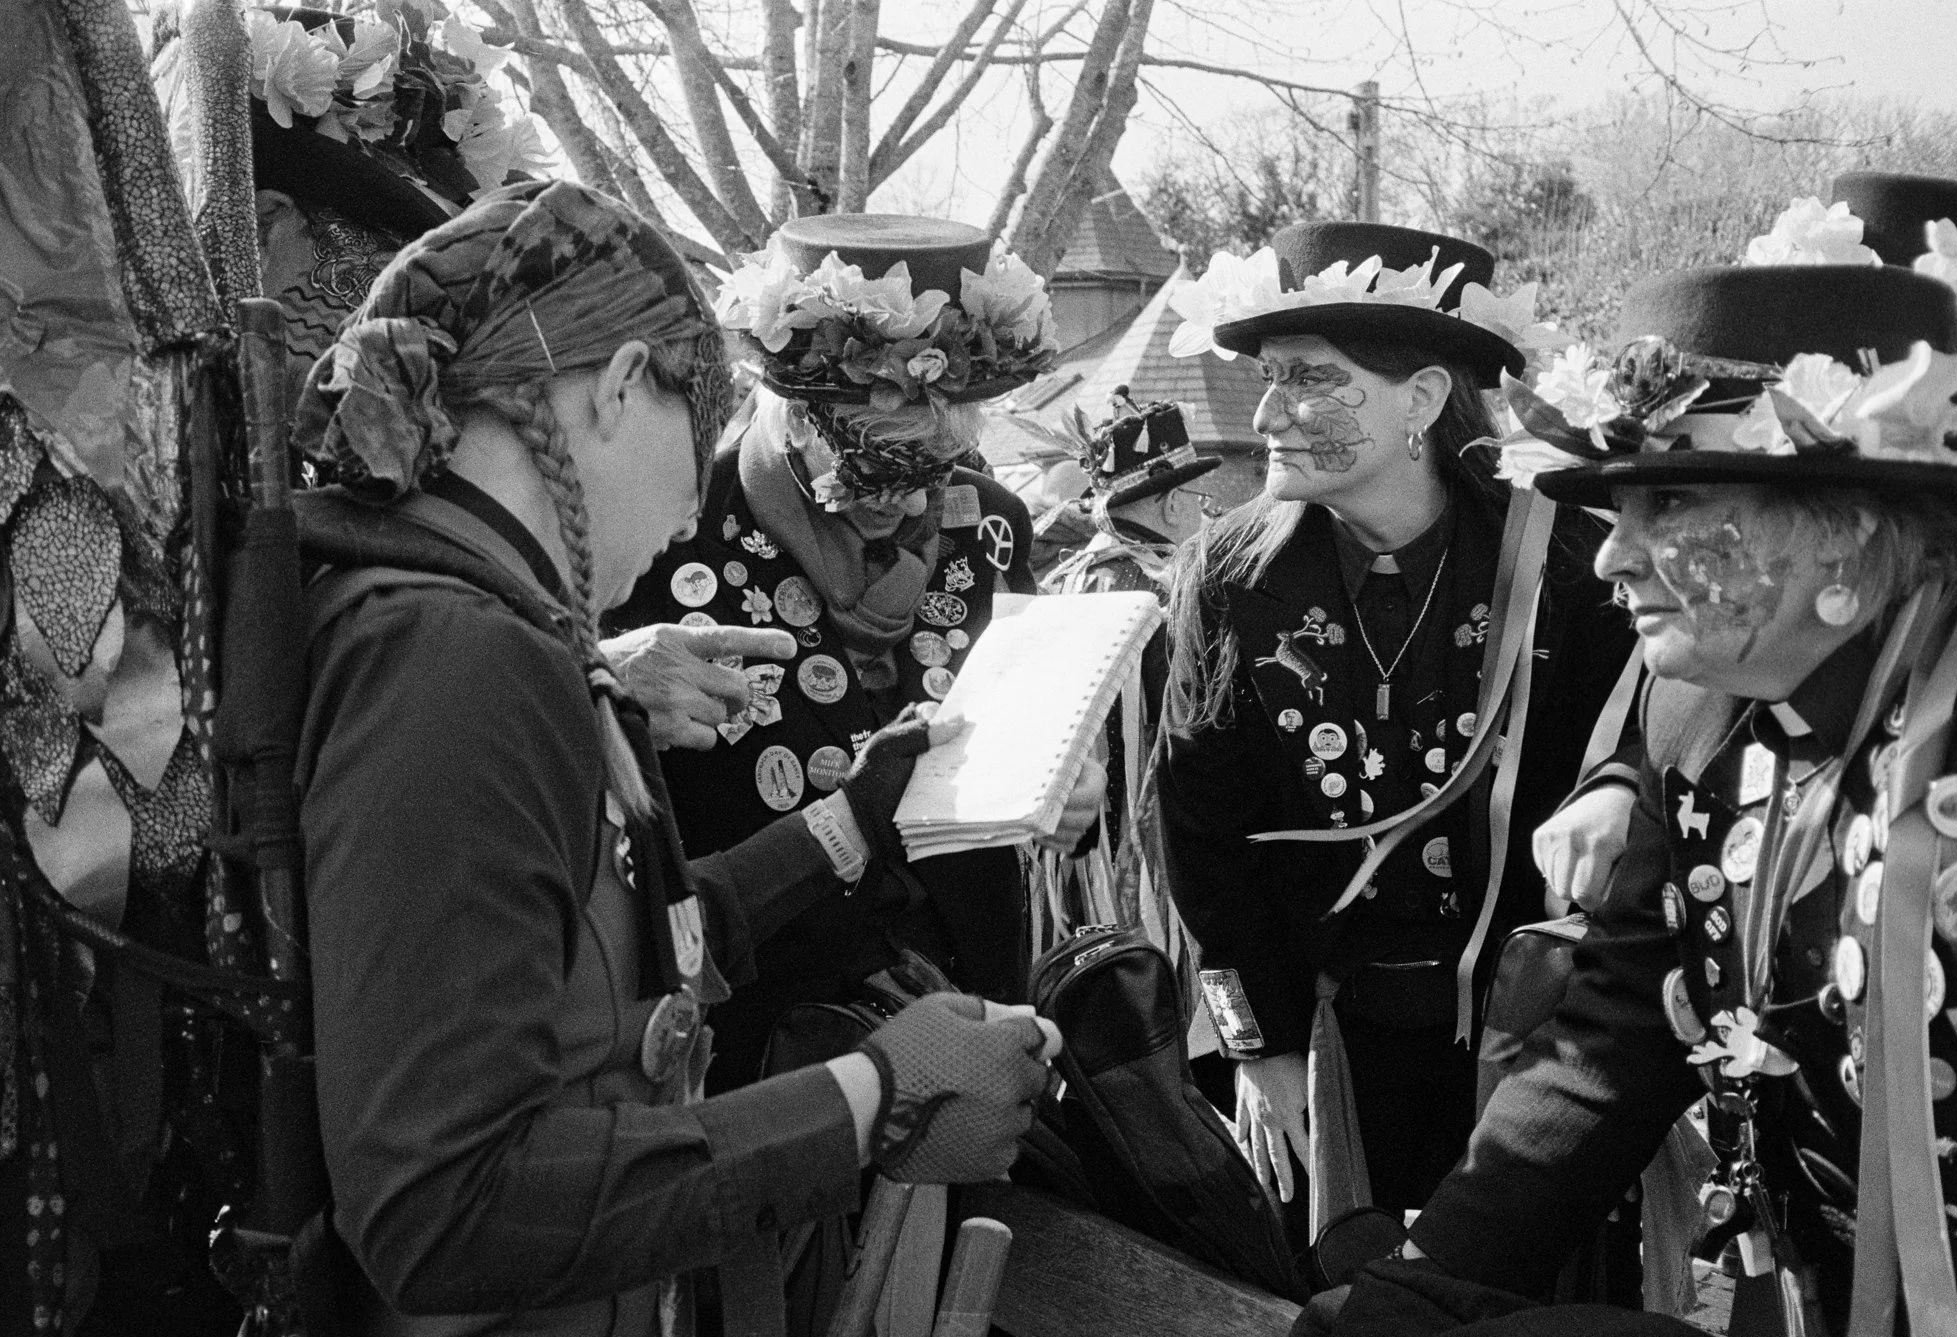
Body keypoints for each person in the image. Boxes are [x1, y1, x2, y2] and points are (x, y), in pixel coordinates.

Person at [290, 181, 1059, 1337]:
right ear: (615, 388)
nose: (704, 476)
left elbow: (614, 959)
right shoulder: (454, 651)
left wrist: (848, 828)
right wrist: (871, 1095)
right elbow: (442, 1206)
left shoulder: (477, 625)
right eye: (698, 418)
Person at [1309, 205, 1957, 1337]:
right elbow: (1617, 1036)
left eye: (1667, 505)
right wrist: (1423, 1287)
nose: (1614, 557)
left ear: (1841, 533)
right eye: (1613, 511)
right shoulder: (1690, 724)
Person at [1156, 223, 1636, 1237]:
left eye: (1310, 378)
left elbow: (1652, 738)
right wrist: (1257, 1044)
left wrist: (1620, 786)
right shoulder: (1226, 575)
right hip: (1322, 1043)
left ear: (1420, 399)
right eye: (1270, 377)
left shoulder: (1572, 563)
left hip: (1530, 1046)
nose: (1269, 411)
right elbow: (1200, 836)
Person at [614, 213, 1104, 1094]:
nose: (905, 504)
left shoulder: (991, 524)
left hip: (967, 1001)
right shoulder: (675, 530)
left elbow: (1023, 717)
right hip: (763, 1036)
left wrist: (1070, 791)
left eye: (933, 467)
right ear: (792, 411)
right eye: (873, 468)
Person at [1041, 387, 1221, 920]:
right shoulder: (1168, 593)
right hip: (1152, 862)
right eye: (1198, 502)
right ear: (1172, 503)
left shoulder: (1065, 579)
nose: (1204, 517)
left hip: (1072, 849)